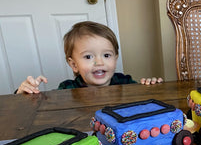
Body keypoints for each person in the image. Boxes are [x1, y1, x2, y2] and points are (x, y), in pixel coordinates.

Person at [16, 21, 163, 94]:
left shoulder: (125, 83)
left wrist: (151, 87)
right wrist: (25, 93)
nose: (99, 62)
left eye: (106, 55)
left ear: (115, 59)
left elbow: (144, 100)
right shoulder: (67, 89)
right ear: (74, 65)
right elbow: (44, 106)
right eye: (88, 56)